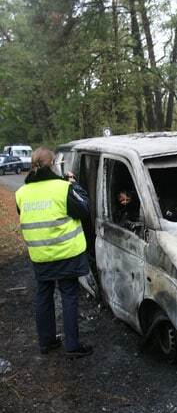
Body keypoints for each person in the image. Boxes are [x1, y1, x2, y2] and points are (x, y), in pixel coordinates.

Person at [15, 147, 93, 358]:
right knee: (68, 295)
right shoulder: (62, 188)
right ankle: (73, 346)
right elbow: (84, 209)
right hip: (67, 253)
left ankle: (47, 342)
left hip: (41, 256)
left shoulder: (21, 193)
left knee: (44, 295)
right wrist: (73, 184)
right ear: (52, 165)